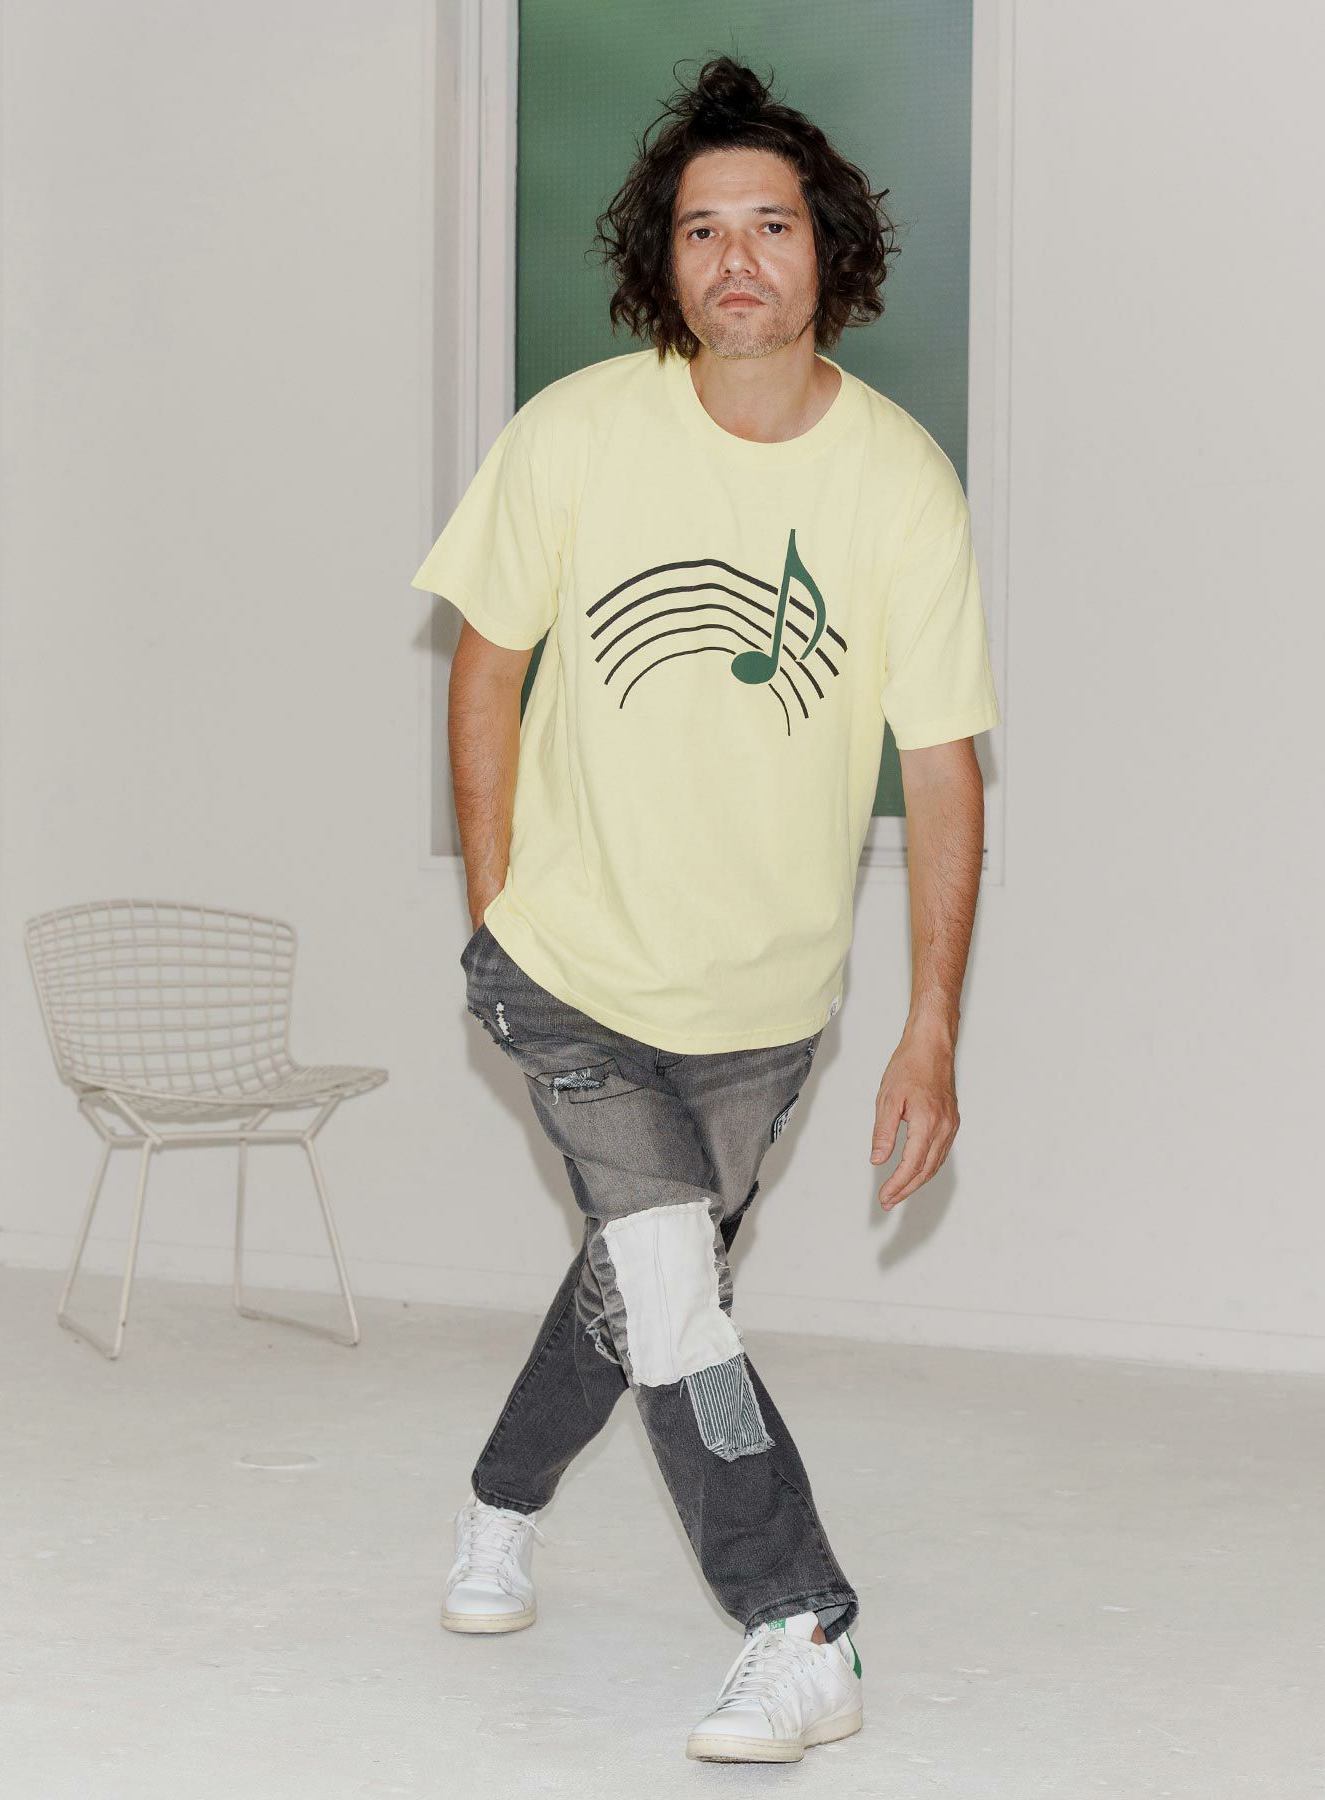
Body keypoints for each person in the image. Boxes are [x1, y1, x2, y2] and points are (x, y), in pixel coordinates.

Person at [409, 53, 1000, 1765]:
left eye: (772, 225)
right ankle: (801, 1624)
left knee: (635, 1291)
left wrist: (932, 1028)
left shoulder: (900, 483)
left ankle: (500, 1504)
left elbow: (945, 768)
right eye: (699, 229)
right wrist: (497, 902)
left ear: (832, 252)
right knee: (675, 1294)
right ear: (660, 262)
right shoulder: (576, 433)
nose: (736, 258)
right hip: (570, 969)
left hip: (766, 1003)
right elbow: (486, 661)